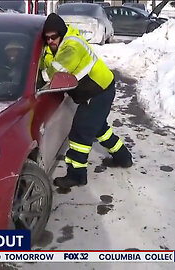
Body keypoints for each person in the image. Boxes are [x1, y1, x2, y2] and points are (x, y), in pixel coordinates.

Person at [41, 13, 133, 188]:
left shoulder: (71, 48)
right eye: (47, 39)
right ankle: (123, 157)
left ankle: (77, 175)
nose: (51, 41)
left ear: (61, 34)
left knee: (80, 133)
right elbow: (48, 58)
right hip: (96, 89)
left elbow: (52, 74)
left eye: (54, 37)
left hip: (98, 91)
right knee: (99, 128)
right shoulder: (58, 43)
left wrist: (39, 74)